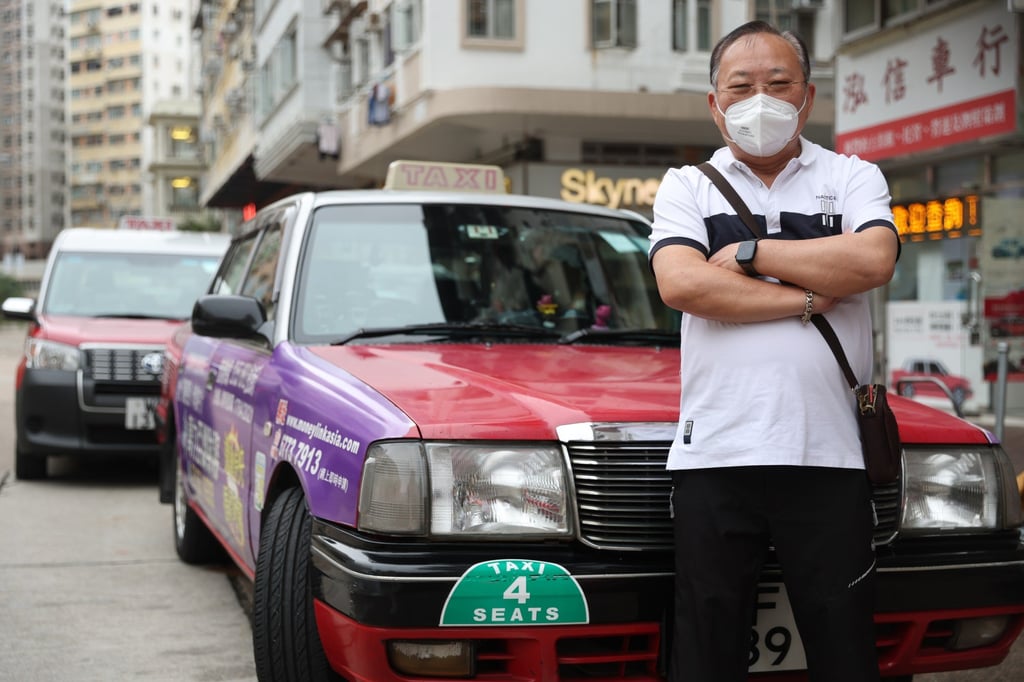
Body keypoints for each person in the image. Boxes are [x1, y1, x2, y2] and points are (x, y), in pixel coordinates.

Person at [648, 21, 900, 682]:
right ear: (714, 103)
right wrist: (813, 296)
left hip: (830, 453)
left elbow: (872, 258)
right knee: (706, 650)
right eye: (741, 86)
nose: (760, 99)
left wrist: (751, 255)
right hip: (716, 457)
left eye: (778, 84)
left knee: (845, 649)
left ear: (808, 97)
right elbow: (682, 283)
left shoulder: (852, 176)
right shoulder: (687, 186)